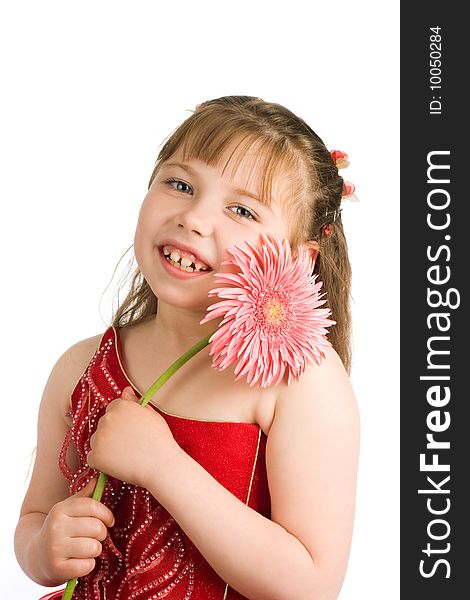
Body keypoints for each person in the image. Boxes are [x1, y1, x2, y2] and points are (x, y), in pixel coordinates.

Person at [14, 96, 360, 600]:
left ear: (296, 259)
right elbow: (33, 519)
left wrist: (163, 466)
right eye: (179, 184)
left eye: (241, 209)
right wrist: (43, 547)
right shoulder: (80, 367)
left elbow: (311, 585)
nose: (194, 218)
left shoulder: (299, 378)